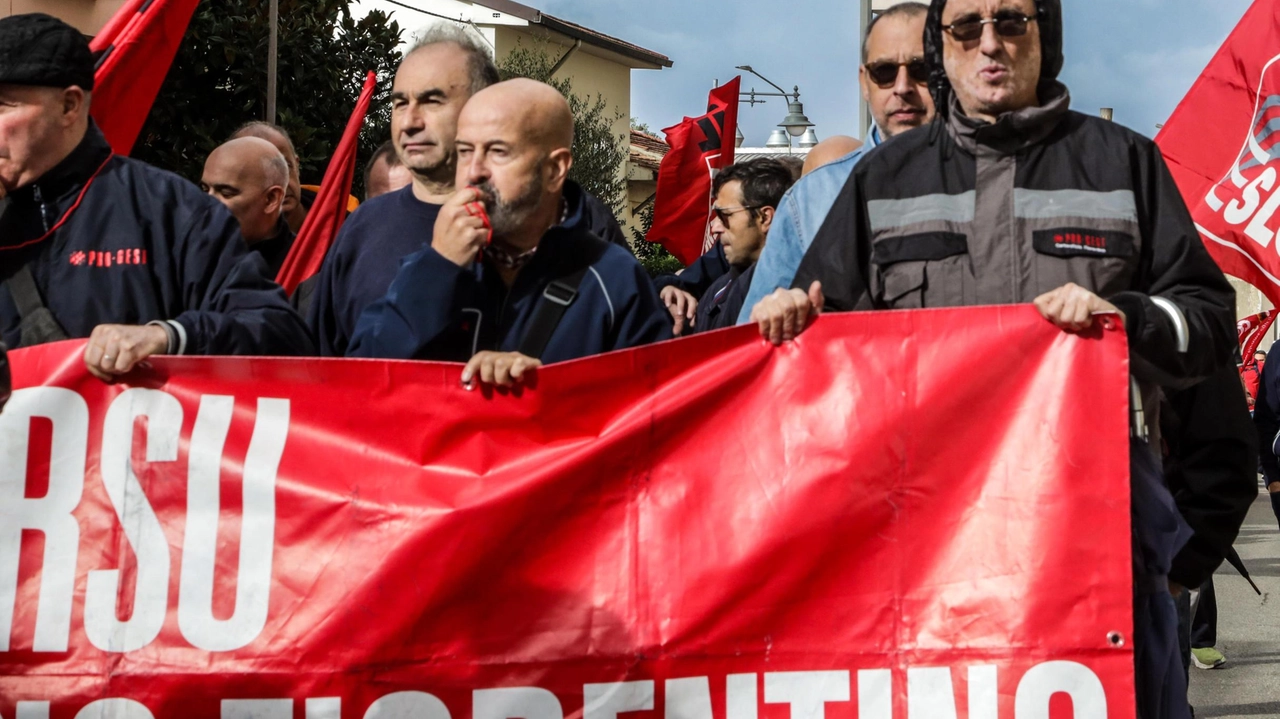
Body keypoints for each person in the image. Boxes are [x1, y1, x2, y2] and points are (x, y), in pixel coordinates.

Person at [750, 1, 1239, 716]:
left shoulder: (1125, 163)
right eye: (966, 26)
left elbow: (1209, 327)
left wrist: (1127, 320)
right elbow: (820, 382)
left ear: (1047, 36)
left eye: (1012, 22)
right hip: (928, 578)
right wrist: (785, 330)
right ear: (941, 44)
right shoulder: (881, 182)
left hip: (1102, 572)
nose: (990, 44)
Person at [0, 14, 313, 378]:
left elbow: (279, 335)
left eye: (4, 105)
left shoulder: (172, 211)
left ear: (69, 106)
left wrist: (169, 337)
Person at [307, 24, 629, 358]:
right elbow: (324, 374)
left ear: (483, 104)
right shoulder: (361, 228)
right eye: (400, 103)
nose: (409, 121)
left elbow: (634, 363)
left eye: (432, 100)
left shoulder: (573, 218)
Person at [347, 79, 671, 386]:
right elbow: (359, 381)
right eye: (464, 151)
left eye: (498, 152)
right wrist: (436, 270)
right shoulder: (428, 263)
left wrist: (545, 392)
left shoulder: (614, 280)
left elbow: (651, 419)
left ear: (554, 170)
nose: (474, 172)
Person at [734, 1, 936, 324]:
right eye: (884, 72)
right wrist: (775, 316)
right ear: (864, 82)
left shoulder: (984, 177)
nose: (902, 87)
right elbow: (752, 340)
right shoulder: (810, 200)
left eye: (921, 69)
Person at [691, 159, 794, 334]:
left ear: (764, 217)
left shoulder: (805, 291)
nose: (715, 228)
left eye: (725, 215)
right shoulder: (715, 295)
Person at [201, 136, 295, 276]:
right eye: (204, 190)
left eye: (226, 193)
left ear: (271, 199)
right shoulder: (188, 254)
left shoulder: (305, 269)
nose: (208, 204)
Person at [231, 120, 310, 233]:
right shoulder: (224, 241)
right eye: (259, 172)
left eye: (285, 166)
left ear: (297, 165)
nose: (278, 182)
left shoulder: (341, 214)